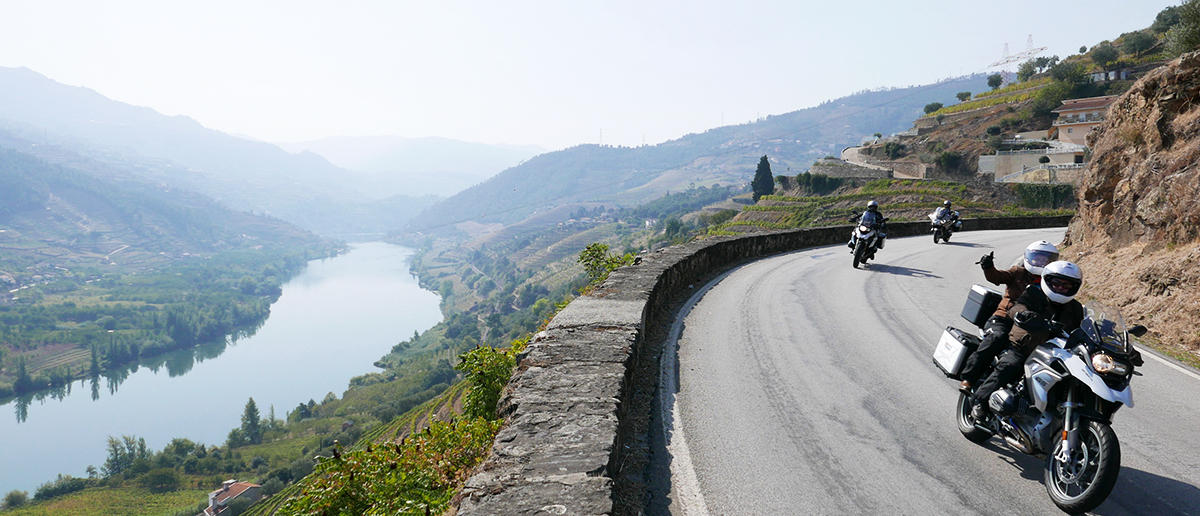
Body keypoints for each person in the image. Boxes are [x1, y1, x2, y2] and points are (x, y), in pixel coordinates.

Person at [970, 260, 1085, 420]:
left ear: (1073, 288)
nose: (1060, 288)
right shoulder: (1033, 294)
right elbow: (1017, 307)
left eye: (1066, 286)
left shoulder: (1076, 308)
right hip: (1024, 347)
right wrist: (1024, 314)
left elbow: (1082, 329)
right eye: (1057, 283)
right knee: (1009, 366)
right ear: (1047, 281)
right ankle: (979, 401)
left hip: (1054, 354)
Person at [958, 240, 1060, 391]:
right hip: (1004, 319)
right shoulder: (1018, 272)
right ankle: (969, 378)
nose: (1040, 262)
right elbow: (998, 277)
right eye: (1037, 258)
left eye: (1045, 259)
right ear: (1029, 257)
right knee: (996, 338)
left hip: (1028, 326)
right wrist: (988, 267)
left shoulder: (1051, 282)